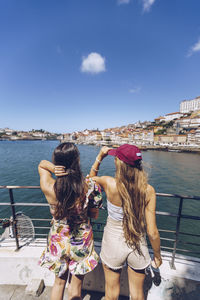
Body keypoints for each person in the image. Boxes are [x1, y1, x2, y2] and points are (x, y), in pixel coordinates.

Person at [89, 144, 162, 300]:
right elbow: (152, 231)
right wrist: (157, 255)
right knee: (137, 294)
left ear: (118, 162)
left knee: (111, 294)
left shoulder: (109, 183)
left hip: (112, 242)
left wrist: (99, 157)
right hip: (137, 243)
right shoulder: (148, 190)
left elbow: (90, 180)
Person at [38, 142, 102, 300]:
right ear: (77, 161)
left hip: (57, 240)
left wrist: (54, 169)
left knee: (58, 283)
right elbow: (94, 215)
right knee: (76, 286)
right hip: (81, 241)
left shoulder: (48, 186)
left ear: (57, 162)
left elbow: (41, 165)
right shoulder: (90, 186)